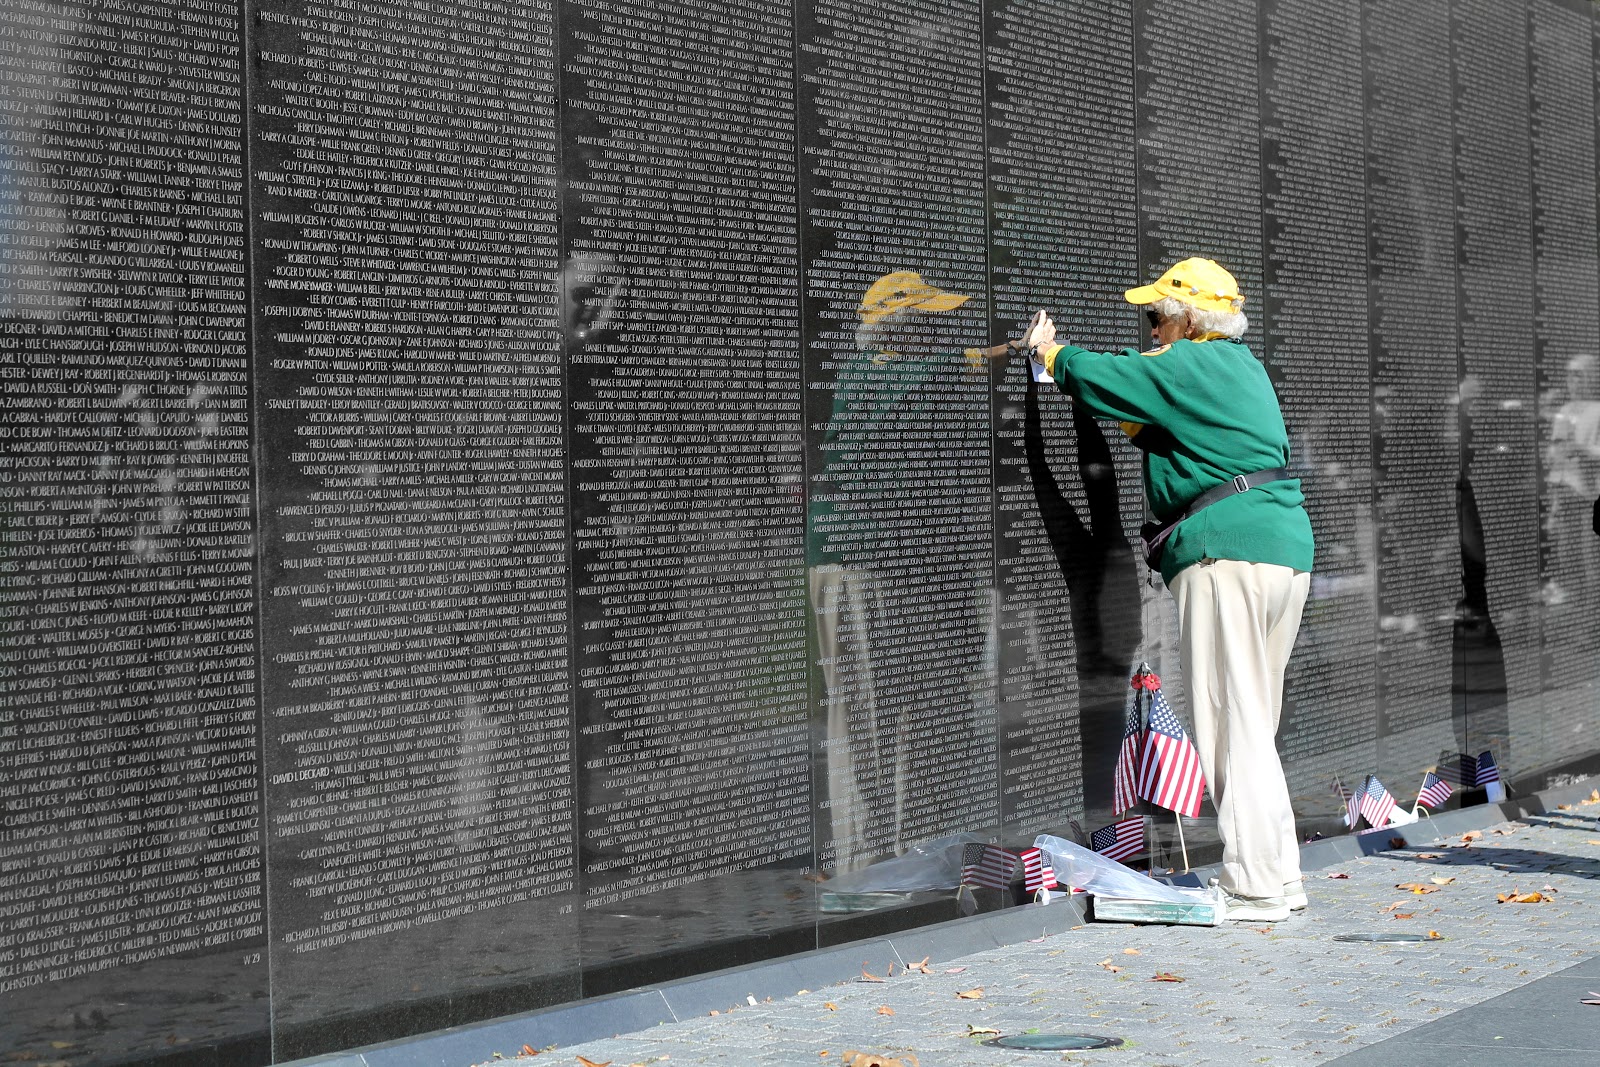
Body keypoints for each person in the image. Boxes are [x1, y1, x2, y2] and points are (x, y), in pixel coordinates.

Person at [1018, 257, 1315, 921]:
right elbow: (1158, 424)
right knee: (1253, 725)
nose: (1150, 327)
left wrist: (1049, 353)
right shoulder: (1238, 369)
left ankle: (1257, 886)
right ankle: (1280, 876)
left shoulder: (1194, 363)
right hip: (1278, 551)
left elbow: (1111, 376)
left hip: (1223, 555)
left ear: (1190, 317)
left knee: (1228, 721)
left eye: (1156, 315)